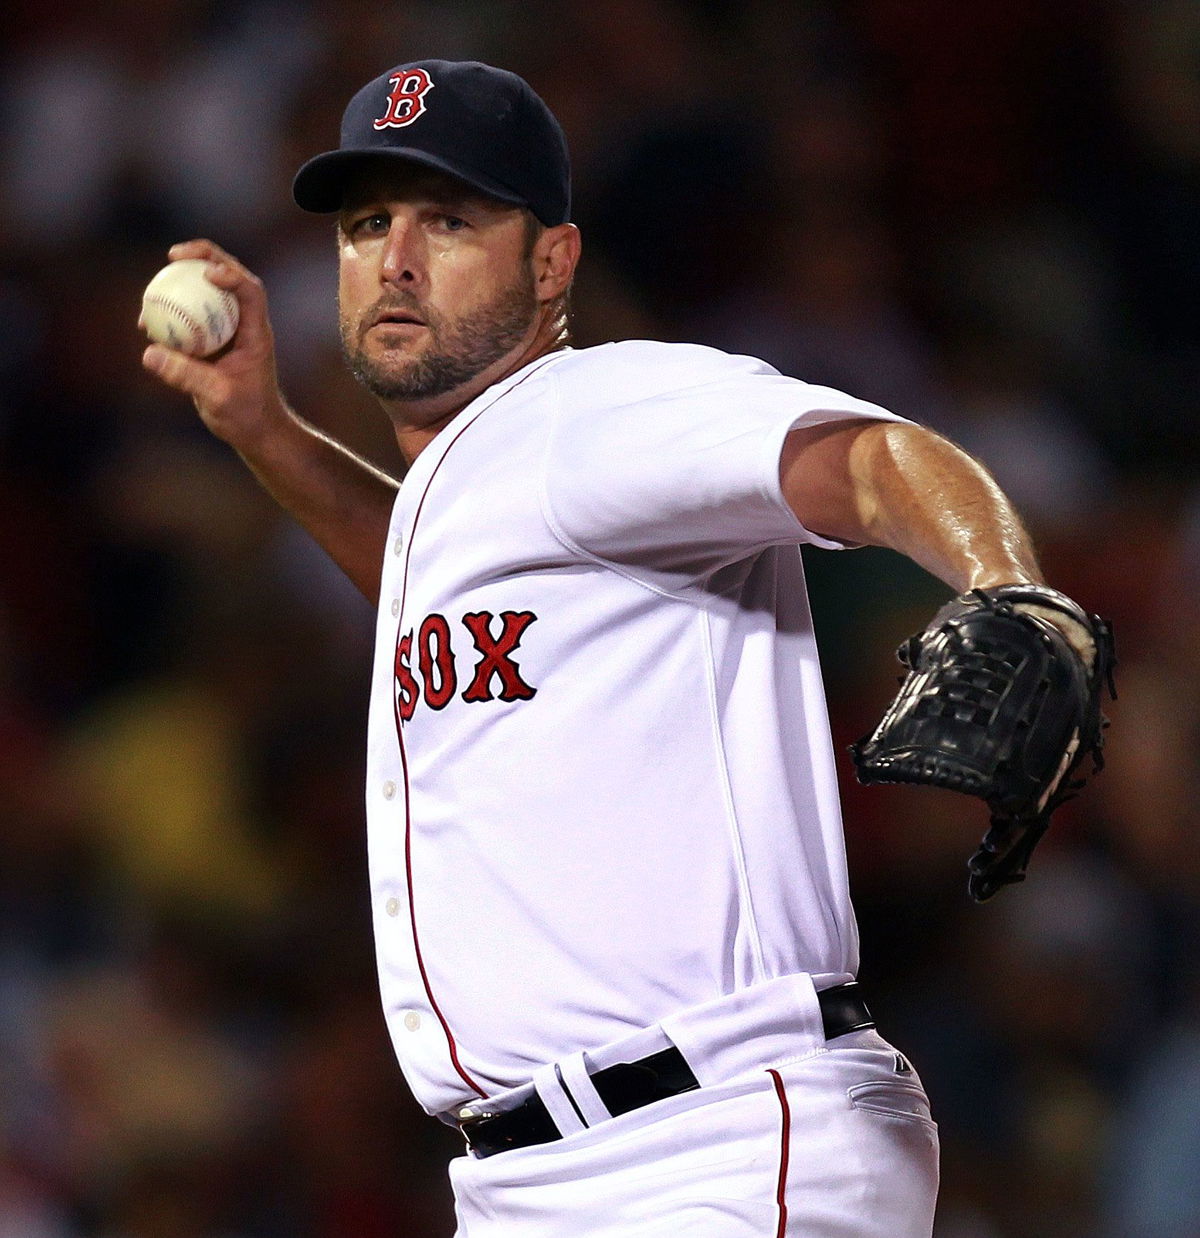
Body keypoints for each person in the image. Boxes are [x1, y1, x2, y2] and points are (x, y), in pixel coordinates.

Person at [141, 58, 1085, 1238]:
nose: (395, 257)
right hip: (537, 1177)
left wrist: (1009, 587)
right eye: (367, 222)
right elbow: (437, 589)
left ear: (551, 262)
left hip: (712, 1144)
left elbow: (869, 458)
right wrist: (264, 429)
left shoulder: (601, 408)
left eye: (450, 218)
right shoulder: (482, 483)